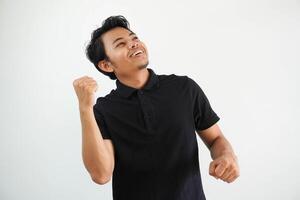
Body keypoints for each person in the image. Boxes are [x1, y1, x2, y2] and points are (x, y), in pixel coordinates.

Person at [73, 15, 240, 200]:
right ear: (106, 65)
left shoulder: (184, 88)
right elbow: (101, 175)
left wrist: (227, 156)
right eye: (121, 44)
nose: (134, 43)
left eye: (134, 38)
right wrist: (85, 109)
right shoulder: (104, 110)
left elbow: (216, 138)